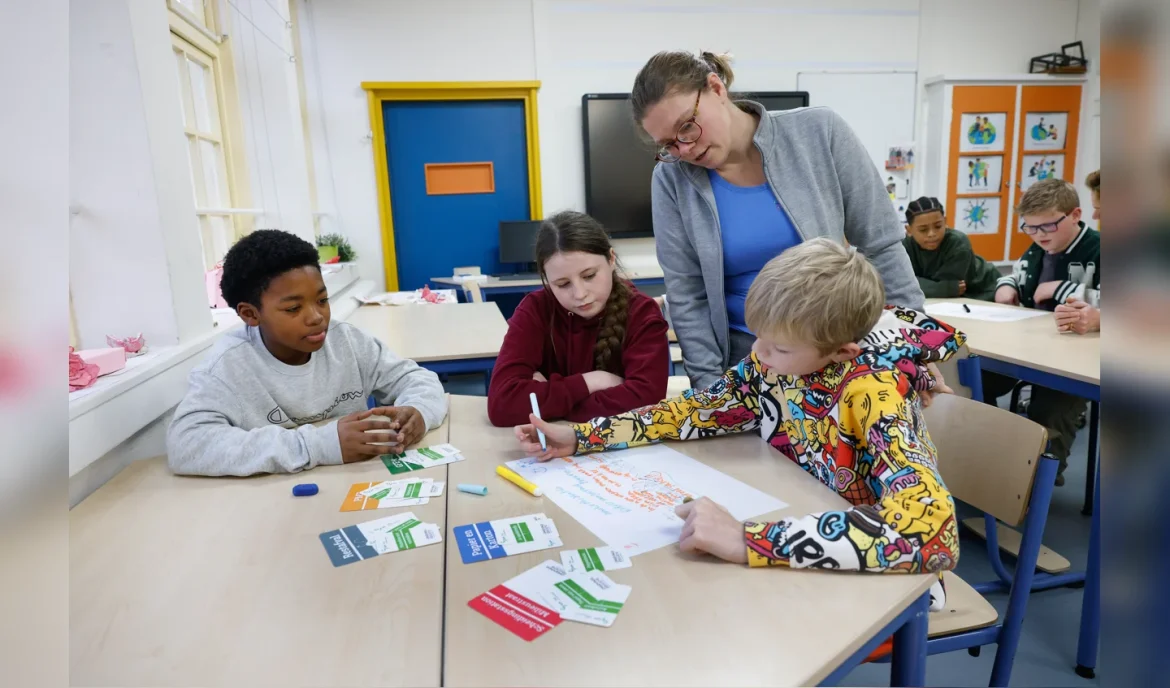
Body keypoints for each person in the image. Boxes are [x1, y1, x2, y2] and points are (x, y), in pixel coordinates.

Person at [515, 238, 965, 611]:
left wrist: (745, 538)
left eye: (779, 349)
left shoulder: (874, 396)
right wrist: (582, 436)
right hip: (796, 523)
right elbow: (696, 410)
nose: (761, 356)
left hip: (877, 583)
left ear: (843, 351)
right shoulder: (774, 361)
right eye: (758, 338)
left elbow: (933, 533)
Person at [631, 50, 923, 390]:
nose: (685, 149)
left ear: (716, 88)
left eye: (687, 127)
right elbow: (687, 295)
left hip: (836, 359)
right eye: (668, 144)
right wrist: (711, 390)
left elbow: (883, 245)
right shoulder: (671, 180)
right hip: (745, 367)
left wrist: (914, 351)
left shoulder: (818, 132)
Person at [166, 230, 447, 476]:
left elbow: (418, 380)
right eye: (293, 308)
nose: (316, 317)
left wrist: (419, 412)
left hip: (352, 485)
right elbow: (187, 444)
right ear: (250, 314)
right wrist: (320, 445)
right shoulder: (227, 367)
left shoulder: (347, 342)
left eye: (322, 300)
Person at [487, 211, 669, 426]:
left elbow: (645, 402)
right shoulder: (534, 310)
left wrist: (546, 402)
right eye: (563, 284)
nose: (580, 294)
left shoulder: (642, 313)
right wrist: (591, 381)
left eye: (589, 276)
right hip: (554, 450)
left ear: (611, 259)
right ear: (546, 279)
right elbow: (502, 404)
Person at [991, 179, 1100, 484]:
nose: (1038, 235)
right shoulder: (1037, 247)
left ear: (1076, 214)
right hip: (1029, 348)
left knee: (1051, 408)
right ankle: (996, 456)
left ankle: (1041, 477)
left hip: (1077, 359)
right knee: (975, 382)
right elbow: (1017, 272)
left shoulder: (1100, 248)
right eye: (1030, 228)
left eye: (1047, 227)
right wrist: (1006, 286)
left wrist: (1063, 288)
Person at [902, 197, 1000, 300]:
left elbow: (951, 291)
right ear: (909, 230)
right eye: (923, 230)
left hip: (983, 290)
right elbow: (901, 282)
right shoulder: (903, 246)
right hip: (942, 299)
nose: (932, 234)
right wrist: (944, 288)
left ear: (945, 222)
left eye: (938, 226)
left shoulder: (958, 242)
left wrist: (939, 288)